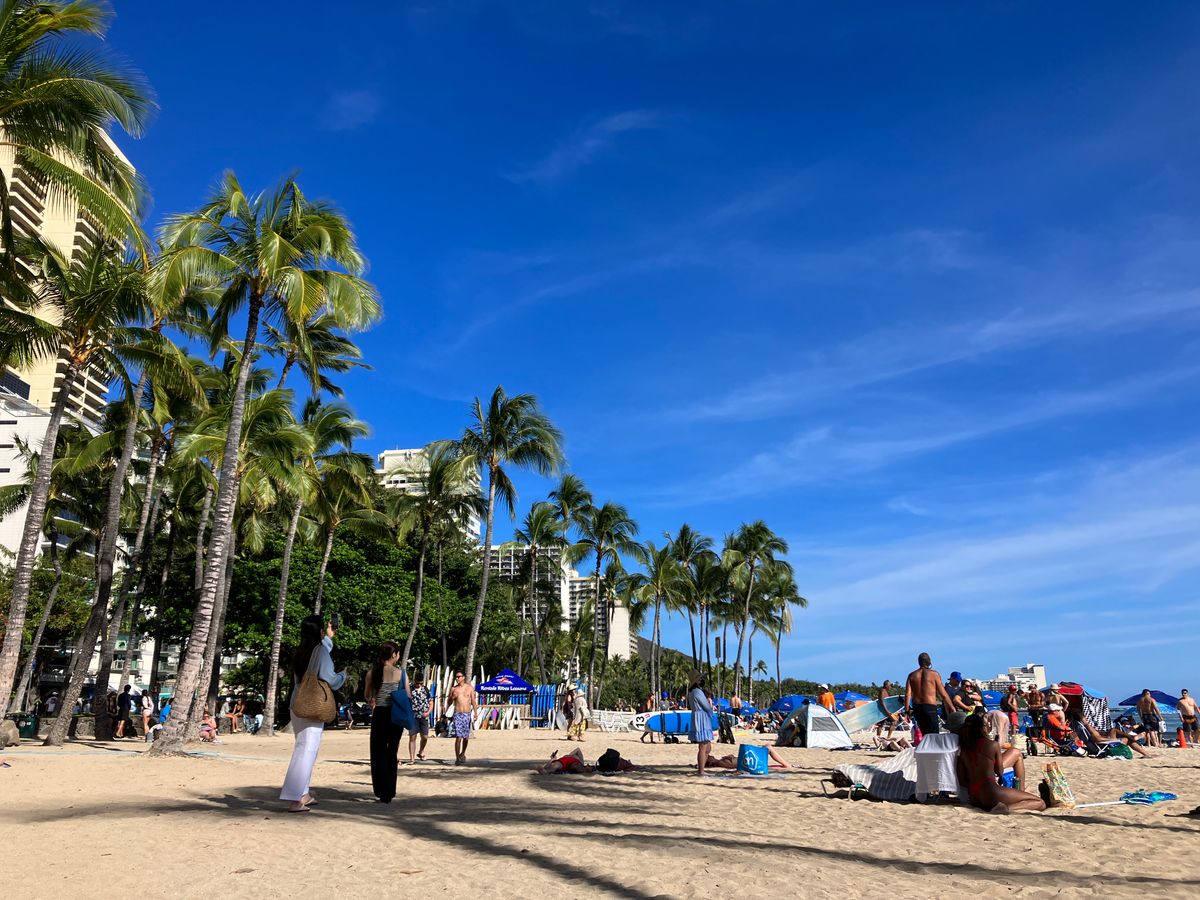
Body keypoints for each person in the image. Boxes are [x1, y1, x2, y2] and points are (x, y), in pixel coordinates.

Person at [280, 615, 346, 812]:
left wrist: (329, 637)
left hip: (297, 702)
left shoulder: (301, 651)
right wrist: (343, 676)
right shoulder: (319, 651)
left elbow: (318, 656)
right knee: (307, 751)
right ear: (319, 631)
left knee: (303, 747)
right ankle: (295, 799)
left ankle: (303, 794)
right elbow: (330, 678)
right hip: (313, 705)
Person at [956, 712, 1045, 812]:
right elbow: (999, 771)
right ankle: (1006, 808)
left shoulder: (963, 750)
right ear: (982, 728)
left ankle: (1013, 798)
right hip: (991, 792)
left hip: (974, 796)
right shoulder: (992, 745)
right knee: (1040, 803)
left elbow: (962, 780)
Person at [363, 641, 404, 803]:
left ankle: (381, 790)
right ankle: (389, 791)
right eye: (398, 653)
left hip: (380, 714)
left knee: (378, 752)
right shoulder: (401, 674)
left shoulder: (372, 673)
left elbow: (367, 695)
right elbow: (407, 696)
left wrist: (372, 699)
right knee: (392, 752)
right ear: (394, 655)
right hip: (395, 715)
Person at [904, 652, 959, 736]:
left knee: (925, 734)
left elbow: (908, 694)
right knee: (934, 735)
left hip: (917, 708)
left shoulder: (912, 675)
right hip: (930, 707)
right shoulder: (934, 674)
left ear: (919, 662)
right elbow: (943, 694)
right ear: (929, 662)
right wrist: (952, 708)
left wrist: (906, 710)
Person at [687, 674, 715, 775]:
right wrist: (710, 710)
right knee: (703, 746)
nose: (701, 680)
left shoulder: (692, 692)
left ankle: (701, 768)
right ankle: (701, 770)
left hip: (699, 717)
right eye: (699, 679)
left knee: (707, 747)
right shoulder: (697, 692)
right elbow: (706, 706)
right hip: (702, 718)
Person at [448, 670, 476, 765]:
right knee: (458, 737)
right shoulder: (453, 689)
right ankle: (457, 758)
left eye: (459, 676)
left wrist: (475, 713)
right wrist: (452, 697)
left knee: (466, 737)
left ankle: (463, 753)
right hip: (458, 714)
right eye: (456, 677)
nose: (457, 678)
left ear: (463, 677)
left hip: (467, 714)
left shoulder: (469, 688)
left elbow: (473, 701)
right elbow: (449, 702)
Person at [706, 745, 794, 770]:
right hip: (746, 760)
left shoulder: (720, 762)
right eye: (710, 757)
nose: (711, 756)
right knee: (768, 748)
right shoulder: (720, 762)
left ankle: (786, 765)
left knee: (768, 749)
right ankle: (787, 765)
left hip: (747, 760)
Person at [408, 673, 432, 763]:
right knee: (412, 737)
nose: (418, 685)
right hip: (413, 716)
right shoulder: (410, 689)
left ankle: (421, 751)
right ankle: (412, 759)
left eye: (420, 683)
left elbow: (431, 702)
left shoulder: (425, 689)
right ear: (414, 681)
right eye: (417, 683)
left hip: (424, 716)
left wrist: (428, 712)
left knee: (425, 737)